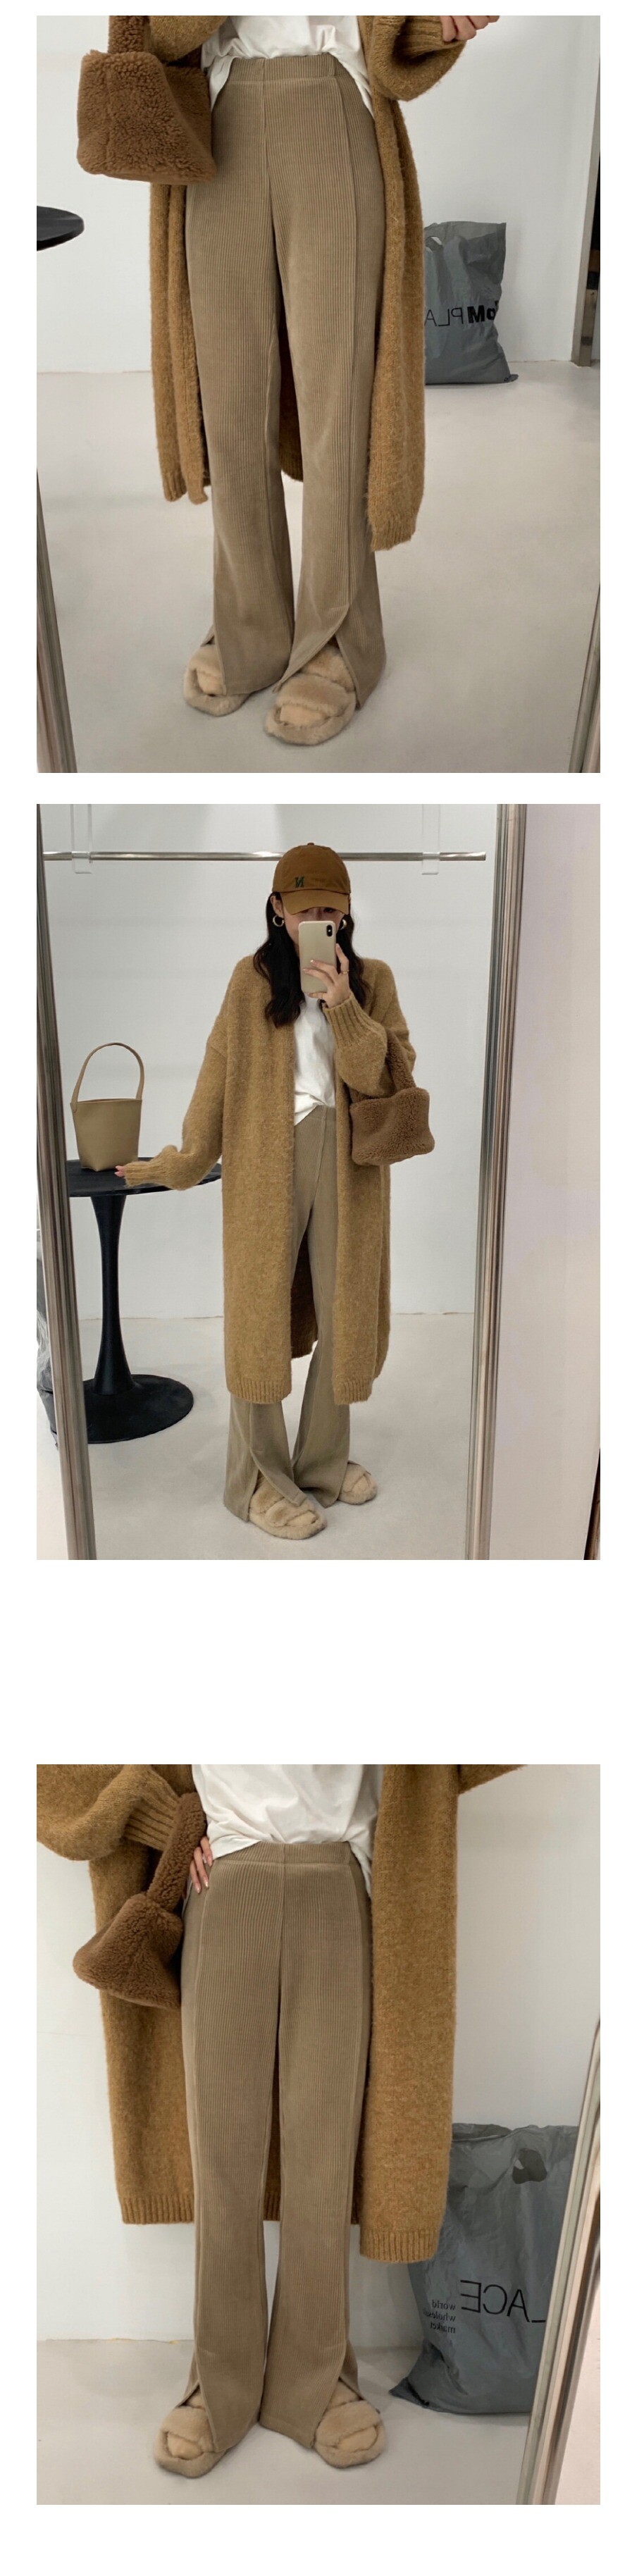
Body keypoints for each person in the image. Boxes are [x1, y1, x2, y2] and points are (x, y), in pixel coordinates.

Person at [80, 18, 499, 743]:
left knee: (340, 398)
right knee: (226, 398)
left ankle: (338, 638)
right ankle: (249, 623)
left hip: (334, 100)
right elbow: (148, 29)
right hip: (219, 113)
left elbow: (395, 40)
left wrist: (436, 23)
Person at [118, 845, 423, 1542]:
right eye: (305, 907)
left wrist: (343, 1005)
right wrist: (180, 1161)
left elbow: (385, 1078)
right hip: (265, 1163)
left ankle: (320, 1464)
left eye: (330, 908)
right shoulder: (248, 981)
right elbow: (217, 1075)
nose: (318, 919)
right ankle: (256, 1480)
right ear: (278, 908)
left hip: (350, 1166)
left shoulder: (372, 980)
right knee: (257, 1320)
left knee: (345, 1316)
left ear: (346, 911)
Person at [156, 1764, 383, 2475]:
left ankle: (318, 2378)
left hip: (337, 1877)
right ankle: (216, 2382)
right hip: (226, 1875)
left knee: (325, 2156)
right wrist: (167, 1825)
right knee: (222, 2157)